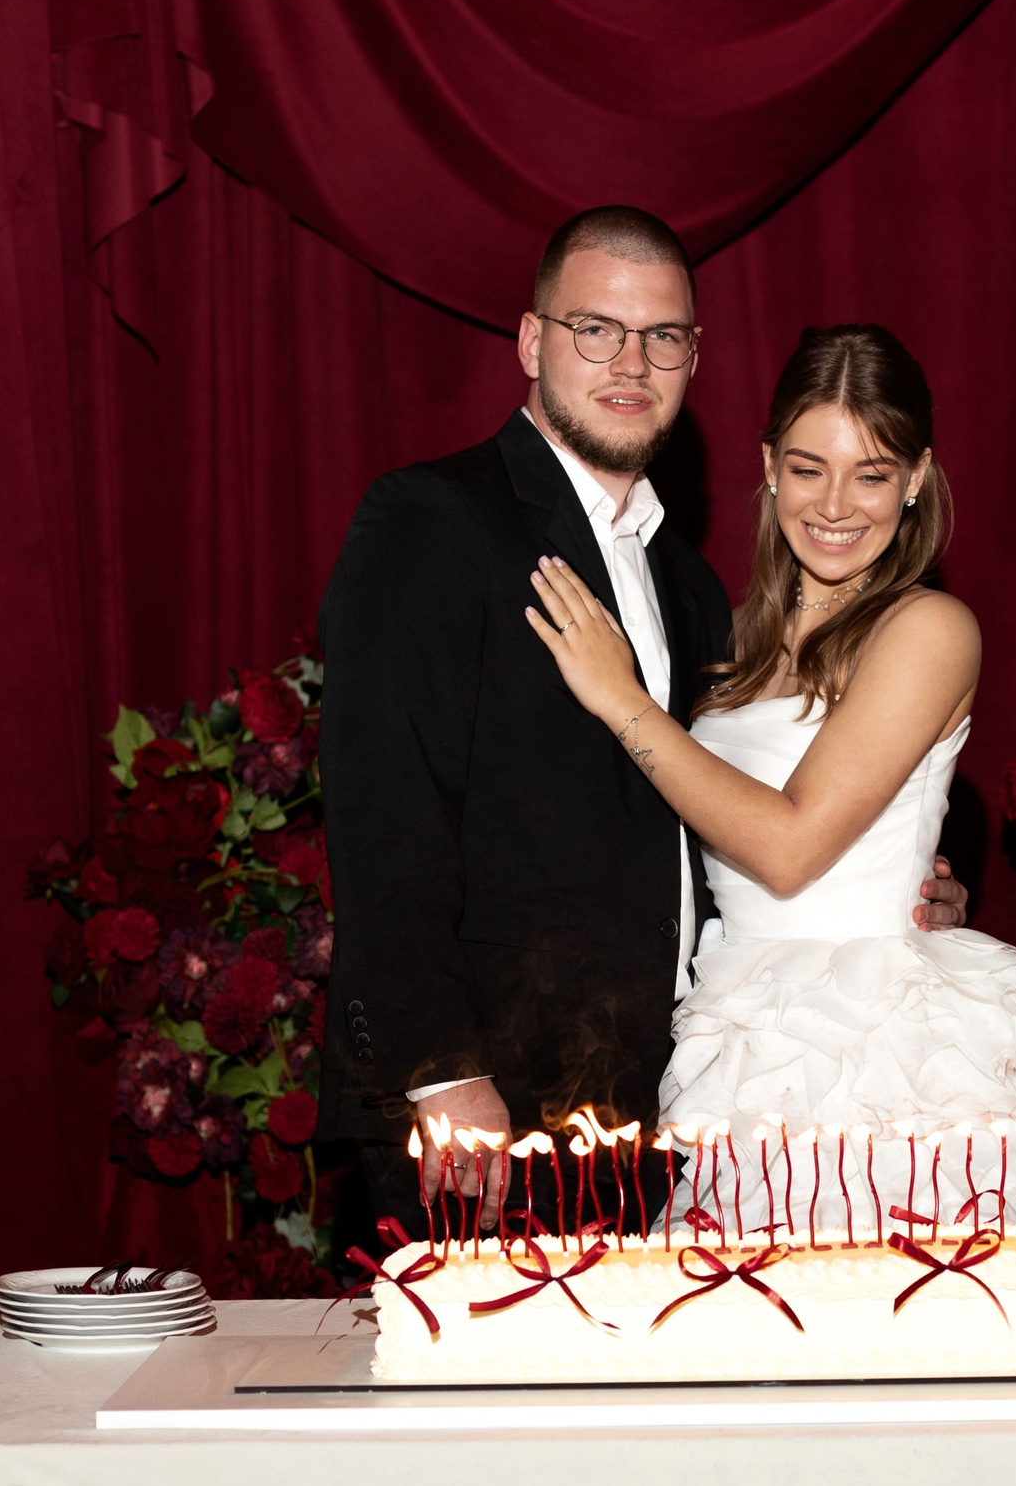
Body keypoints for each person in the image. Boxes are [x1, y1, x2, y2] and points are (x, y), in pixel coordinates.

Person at [316, 209, 967, 1227]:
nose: (632, 361)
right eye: (596, 328)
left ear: (694, 357)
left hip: (671, 1104)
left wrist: (892, 886)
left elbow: (709, 820)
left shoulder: (691, 586)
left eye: (662, 335)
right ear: (532, 341)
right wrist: (439, 1072)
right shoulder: (435, 520)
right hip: (488, 1112)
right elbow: (382, 813)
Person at [524, 322, 1016, 1233]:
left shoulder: (929, 628)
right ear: (770, 466)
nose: (836, 505)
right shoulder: (734, 637)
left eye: (872, 473)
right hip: (742, 1033)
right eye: (810, 467)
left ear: (917, 478)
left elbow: (788, 848)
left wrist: (620, 699)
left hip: (883, 1051)